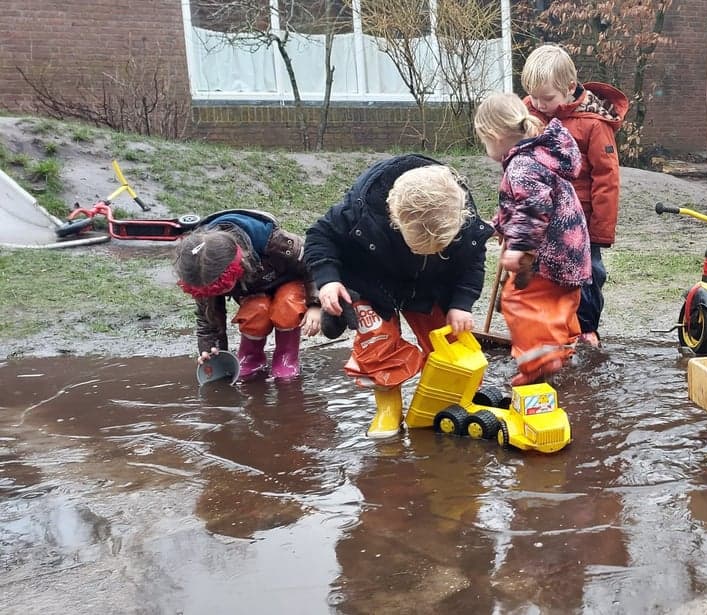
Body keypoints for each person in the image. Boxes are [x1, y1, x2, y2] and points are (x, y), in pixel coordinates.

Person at [304, 155, 493, 440]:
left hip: (431, 285)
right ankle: (388, 406)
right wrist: (328, 280)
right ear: (394, 215)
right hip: (373, 280)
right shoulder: (362, 209)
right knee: (377, 341)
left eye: (437, 247)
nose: (426, 251)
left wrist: (461, 304)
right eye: (420, 246)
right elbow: (319, 236)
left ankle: (447, 397)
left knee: (450, 341)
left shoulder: (462, 219)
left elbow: (473, 263)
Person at [475, 92, 593, 386]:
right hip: (572, 253)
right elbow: (520, 205)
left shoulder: (522, 166)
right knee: (559, 304)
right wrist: (496, 226)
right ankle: (562, 351)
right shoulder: (541, 155)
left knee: (517, 299)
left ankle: (540, 360)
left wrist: (520, 248)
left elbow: (533, 207)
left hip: (547, 254)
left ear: (491, 134)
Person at [521, 44, 629, 348]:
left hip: (580, 219)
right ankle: (545, 327)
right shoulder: (529, 114)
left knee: (588, 273)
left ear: (569, 88)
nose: (540, 104)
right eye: (534, 96)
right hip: (540, 214)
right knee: (539, 270)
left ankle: (585, 327)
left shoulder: (594, 124)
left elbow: (606, 179)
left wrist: (600, 230)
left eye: (548, 98)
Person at [173, 209, 321, 382]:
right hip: (253, 294)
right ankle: (251, 357)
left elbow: (312, 263)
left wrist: (315, 305)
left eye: (221, 288)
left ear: (237, 265)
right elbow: (209, 319)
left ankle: (286, 356)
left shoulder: (275, 242)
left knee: (286, 304)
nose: (216, 294)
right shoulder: (202, 272)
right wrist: (213, 352)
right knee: (256, 310)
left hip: (290, 283)